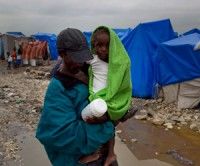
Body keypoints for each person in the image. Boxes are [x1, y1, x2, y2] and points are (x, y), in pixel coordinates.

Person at [36, 28, 115, 166]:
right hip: (78, 161)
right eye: (75, 58)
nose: (80, 62)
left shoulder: (89, 71)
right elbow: (62, 135)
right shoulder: (58, 88)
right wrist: (109, 124)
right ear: (62, 54)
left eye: (83, 56)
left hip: (103, 155)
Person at [79, 26, 132, 166]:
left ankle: (110, 154)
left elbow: (123, 83)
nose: (103, 49)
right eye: (99, 45)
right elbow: (79, 62)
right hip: (96, 98)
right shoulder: (94, 59)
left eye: (107, 45)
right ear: (93, 45)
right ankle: (94, 153)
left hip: (110, 98)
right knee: (93, 123)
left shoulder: (117, 63)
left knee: (109, 125)